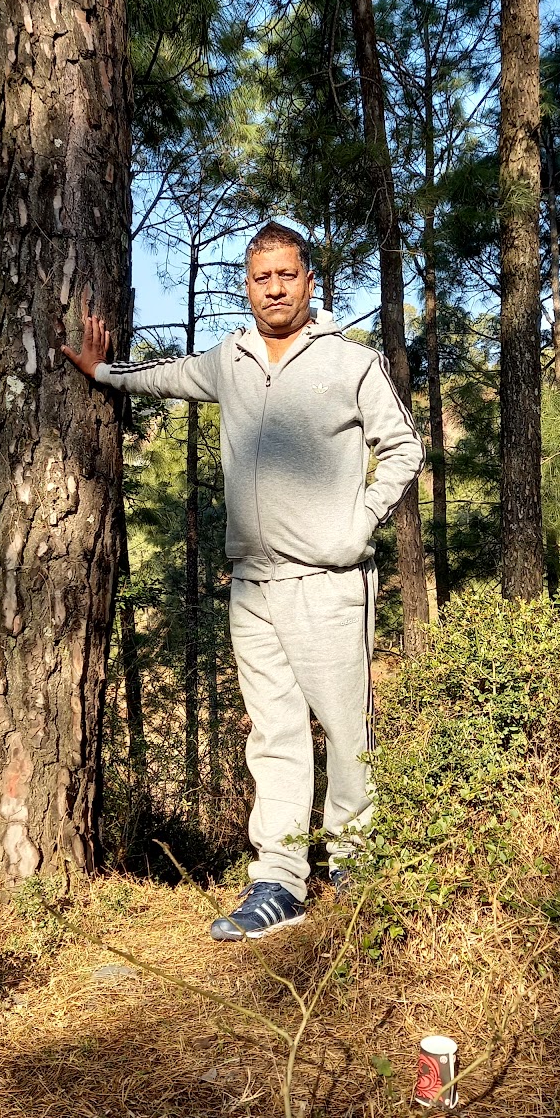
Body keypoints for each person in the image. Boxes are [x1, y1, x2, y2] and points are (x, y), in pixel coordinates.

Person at [62, 221, 424, 941]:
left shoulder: (350, 363)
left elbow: (404, 445)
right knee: (276, 734)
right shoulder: (230, 360)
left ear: (309, 281)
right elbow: (164, 377)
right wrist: (103, 373)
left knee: (347, 735)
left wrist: (357, 526)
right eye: (262, 278)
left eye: (287, 275)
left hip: (328, 582)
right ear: (248, 286)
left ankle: (355, 866)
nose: (275, 289)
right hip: (252, 586)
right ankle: (280, 882)